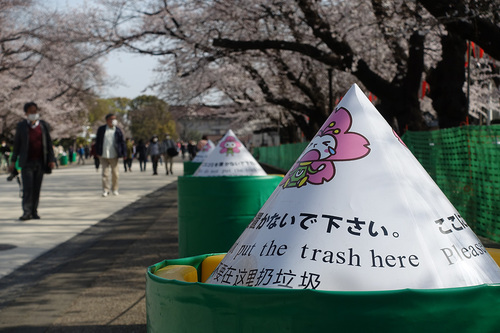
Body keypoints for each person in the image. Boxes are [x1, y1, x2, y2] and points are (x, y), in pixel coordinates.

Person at [9, 102, 56, 220]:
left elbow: (49, 144)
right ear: (26, 113)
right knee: (27, 187)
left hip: (40, 161)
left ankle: (34, 211)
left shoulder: (44, 126)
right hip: (27, 162)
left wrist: (51, 159)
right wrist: (13, 161)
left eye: (35, 111)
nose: (33, 113)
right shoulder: (21, 126)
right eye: (31, 111)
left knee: (36, 187)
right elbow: (17, 145)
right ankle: (26, 211)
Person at [95, 113, 126, 196]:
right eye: (111, 119)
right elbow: (97, 142)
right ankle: (106, 189)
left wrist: (124, 153)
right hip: (103, 154)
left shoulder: (118, 130)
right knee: (105, 174)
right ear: (107, 120)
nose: (113, 120)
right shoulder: (101, 129)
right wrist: (97, 152)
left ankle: (115, 189)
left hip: (114, 154)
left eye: (114, 119)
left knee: (115, 174)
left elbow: (122, 142)